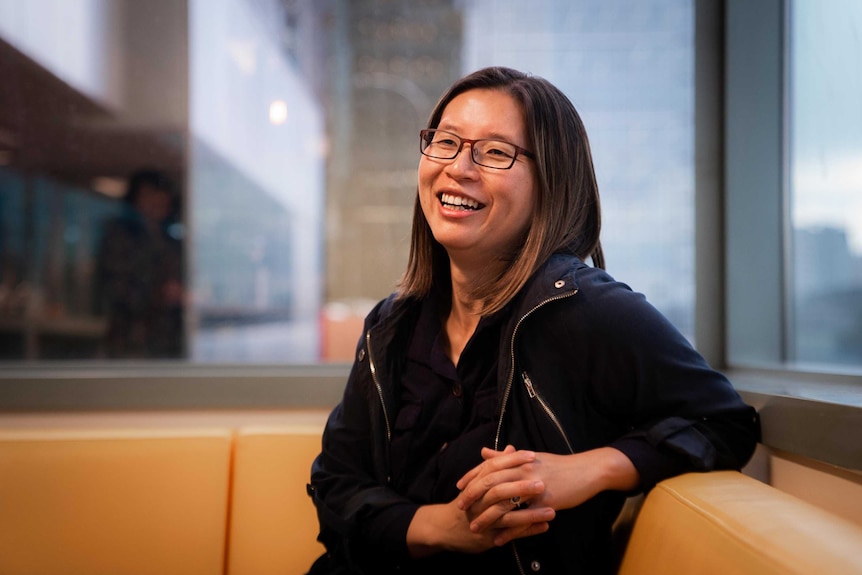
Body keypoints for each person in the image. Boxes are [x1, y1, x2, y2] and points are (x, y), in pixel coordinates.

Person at [306, 66, 759, 575]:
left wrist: (594, 468)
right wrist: (439, 527)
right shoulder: (392, 324)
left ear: (552, 183)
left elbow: (725, 422)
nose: (458, 168)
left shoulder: (587, 310)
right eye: (446, 142)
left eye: (496, 152)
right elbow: (335, 484)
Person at [94, 168, 184, 358]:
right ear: (135, 199)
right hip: (132, 342)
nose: (157, 200)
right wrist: (161, 294)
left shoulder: (171, 241)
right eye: (149, 194)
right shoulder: (120, 237)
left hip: (168, 343)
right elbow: (116, 289)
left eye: (161, 194)